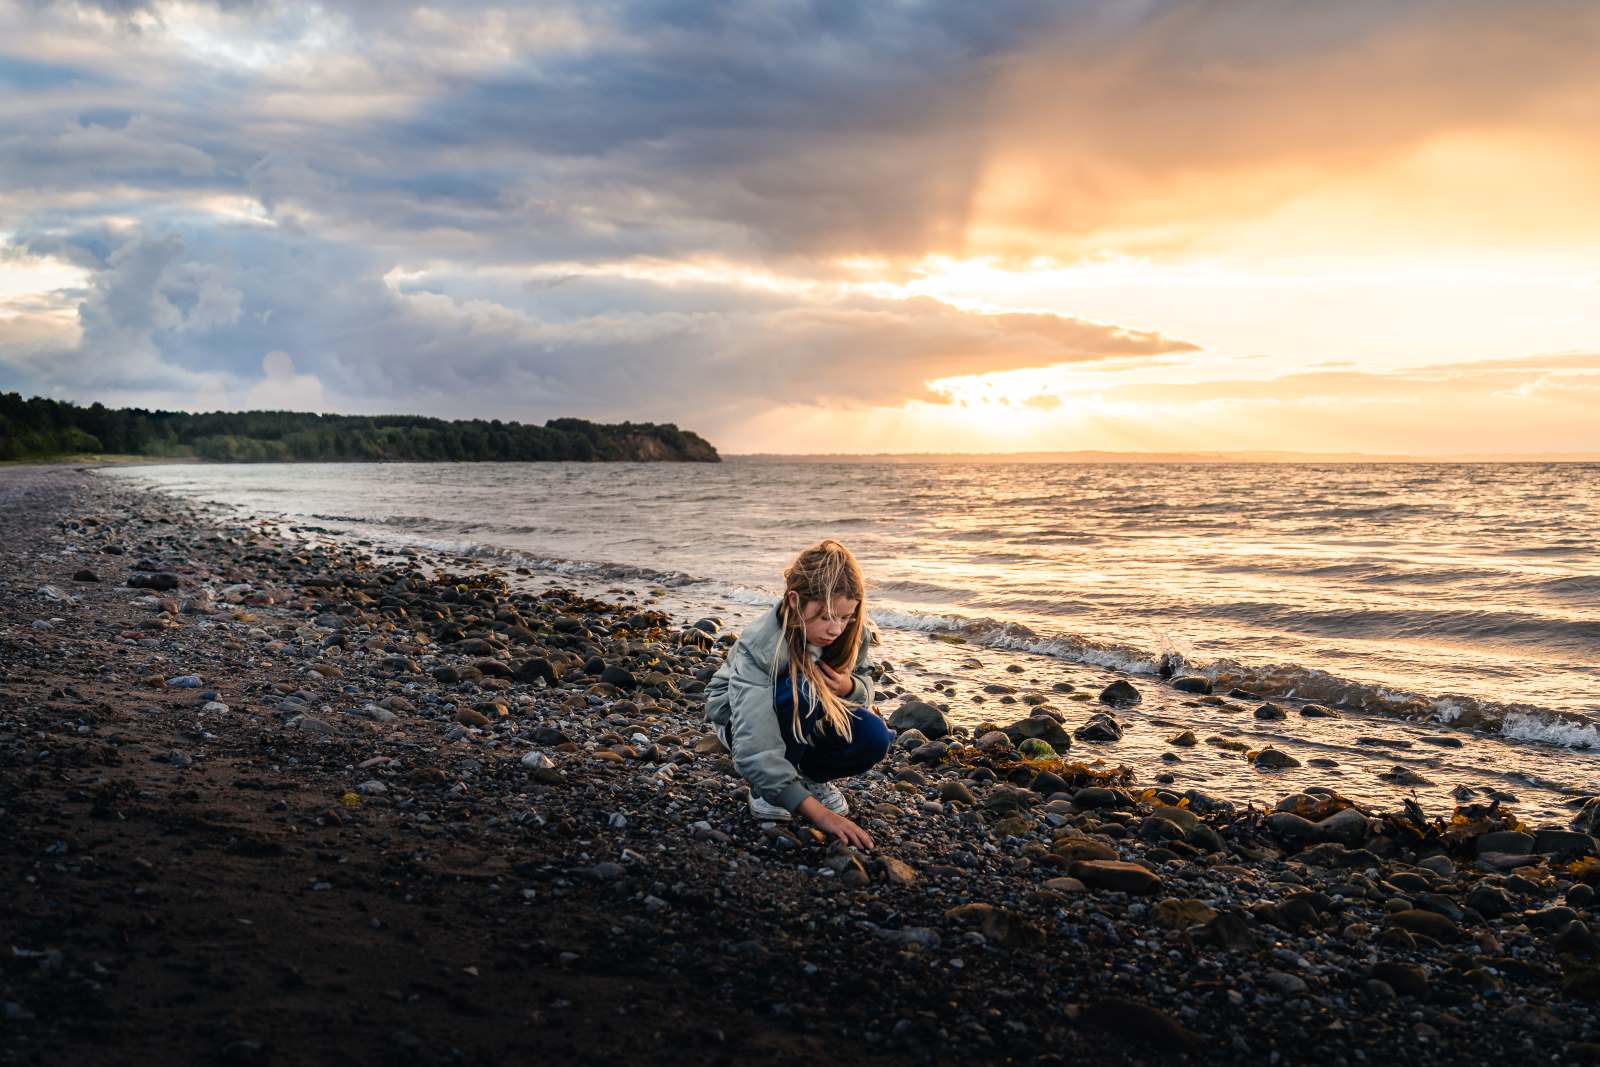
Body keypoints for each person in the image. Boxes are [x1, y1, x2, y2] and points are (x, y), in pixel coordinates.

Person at [704, 539, 891, 850]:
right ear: (794, 601)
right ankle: (769, 790)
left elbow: (864, 687)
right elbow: (754, 743)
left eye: (844, 617)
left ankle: (810, 777)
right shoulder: (760, 646)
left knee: (874, 735)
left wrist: (850, 687)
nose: (836, 629)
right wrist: (820, 815)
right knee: (803, 690)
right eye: (825, 616)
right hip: (738, 720)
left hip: (809, 713)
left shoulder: (852, 631)